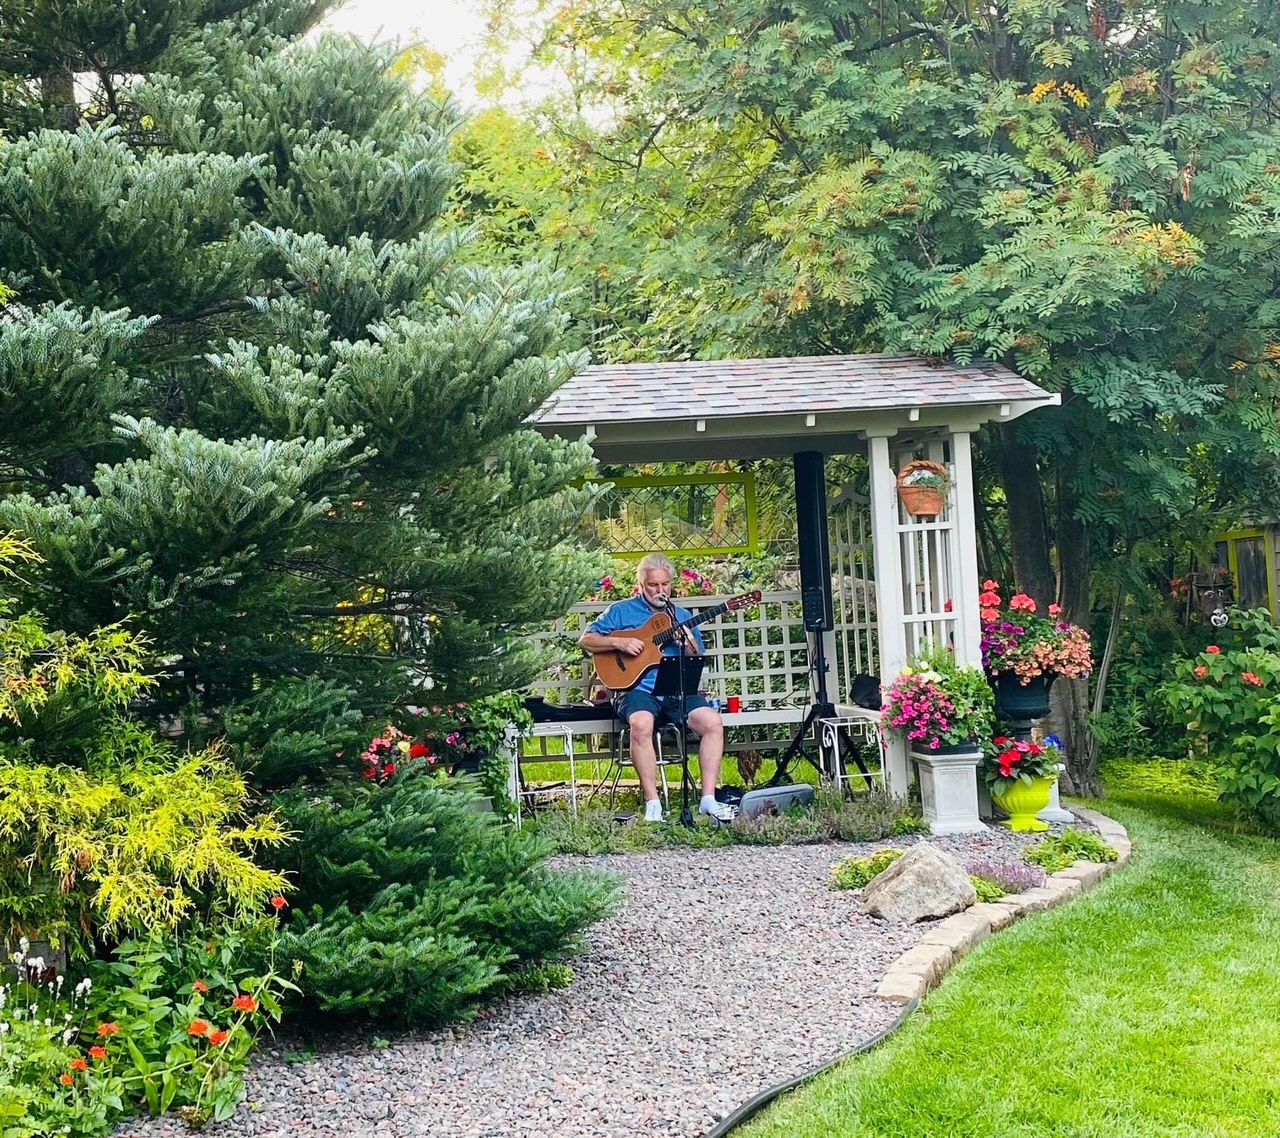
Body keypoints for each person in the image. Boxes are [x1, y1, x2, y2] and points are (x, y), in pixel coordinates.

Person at [579, 553, 737, 823]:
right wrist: (619, 643)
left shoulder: (681, 615)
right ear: (641, 584)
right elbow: (587, 640)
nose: (660, 591)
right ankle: (653, 804)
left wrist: (688, 644)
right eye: (653, 585)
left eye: (665, 585)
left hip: (675, 690)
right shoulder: (620, 611)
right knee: (641, 724)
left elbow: (697, 659)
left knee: (712, 721)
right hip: (635, 689)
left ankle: (708, 799)